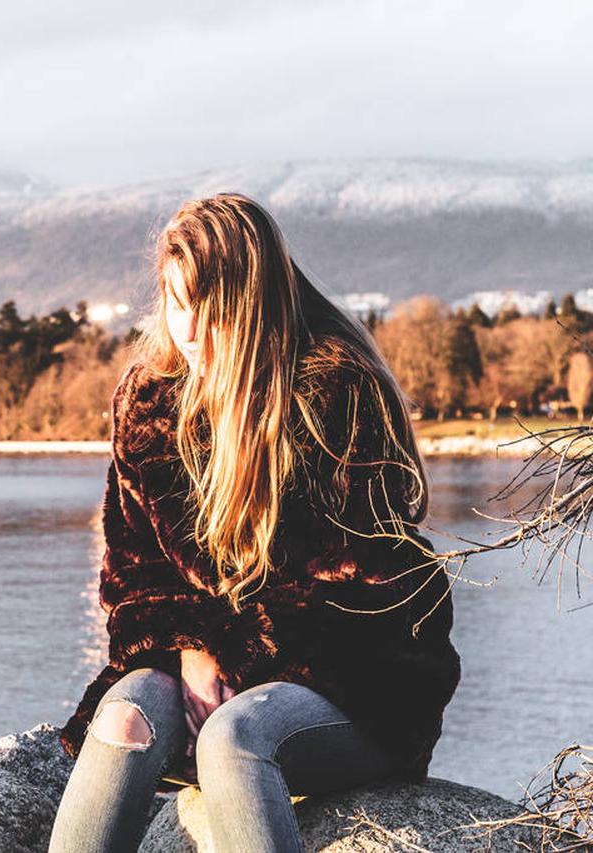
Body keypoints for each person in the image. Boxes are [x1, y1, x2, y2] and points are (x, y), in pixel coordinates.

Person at [47, 193, 462, 853]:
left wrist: (233, 656)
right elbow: (132, 574)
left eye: (210, 308)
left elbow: (365, 585)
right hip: (214, 668)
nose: (189, 329)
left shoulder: (337, 392)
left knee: (233, 738)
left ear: (252, 301)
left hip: (355, 682)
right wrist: (193, 647)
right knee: (123, 717)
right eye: (176, 301)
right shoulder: (150, 403)